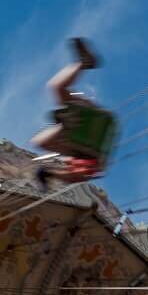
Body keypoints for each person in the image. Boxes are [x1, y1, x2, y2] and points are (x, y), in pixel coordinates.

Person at [32, 37, 115, 186]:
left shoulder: (75, 158)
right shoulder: (83, 164)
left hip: (86, 133)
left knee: (56, 88)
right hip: (88, 141)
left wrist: (50, 173)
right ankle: (65, 122)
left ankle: (83, 63)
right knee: (57, 88)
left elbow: (72, 176)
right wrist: (50, 173)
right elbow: (73, 177)